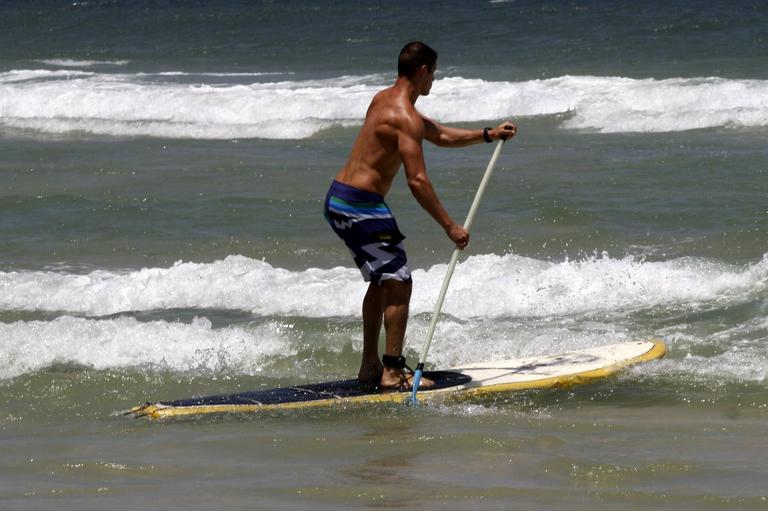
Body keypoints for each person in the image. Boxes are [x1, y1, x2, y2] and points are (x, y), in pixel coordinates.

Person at [324, 41, 517, 390]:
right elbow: (417, 180)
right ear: (423, 70)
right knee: (399, 279)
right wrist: (450, 226)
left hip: (339, 199)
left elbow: (438, 134)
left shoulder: (384, 99)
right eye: (434, 74)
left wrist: (488, 135)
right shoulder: (405, 116)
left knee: (384, 280)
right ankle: (392, 370)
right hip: (361, 206)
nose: (434, 82)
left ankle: (370, 364)